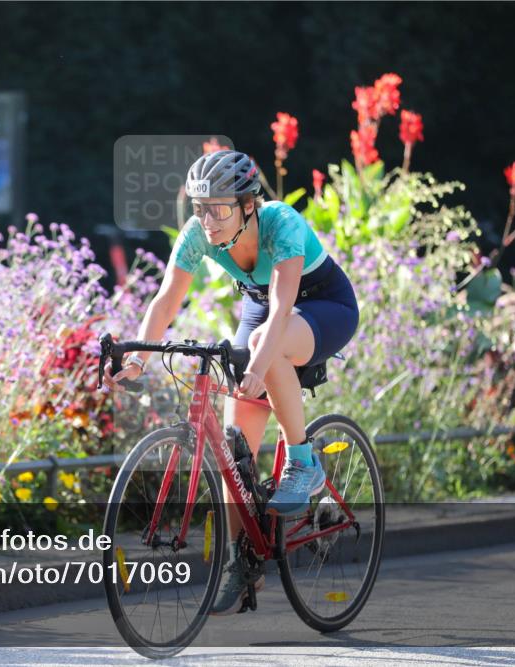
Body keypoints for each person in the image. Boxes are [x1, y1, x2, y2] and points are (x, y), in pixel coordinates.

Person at [102, 149, 360, 615]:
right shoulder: (198, 235)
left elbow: (283, 309)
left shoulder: (279, 222)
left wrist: (258, 368)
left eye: (219, 208)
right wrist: (138, 360)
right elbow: (165, 302)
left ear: (247, 205)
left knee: (266, 344)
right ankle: (240, 563)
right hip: (263, 309)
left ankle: (303, 462)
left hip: (323, 305)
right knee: (234, 448)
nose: (208, 220)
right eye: (200, 208)